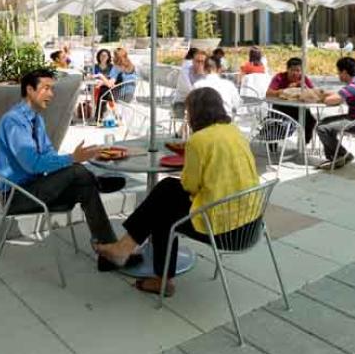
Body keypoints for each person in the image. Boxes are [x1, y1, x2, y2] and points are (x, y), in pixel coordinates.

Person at [95, 87, 259, 296]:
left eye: (188, 111)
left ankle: (141, 261)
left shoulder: (199, 141)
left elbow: (189, 185)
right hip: (249, 223)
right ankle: (128, 251)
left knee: (164, 207)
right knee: (167, 192)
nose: (187, 116)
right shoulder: (233, 132)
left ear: (195, 113)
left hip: (225, 230)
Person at [0, 69, 133, 271]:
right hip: (17, 195)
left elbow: (48, 154)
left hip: (35, 187)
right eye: (46, 88)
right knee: (77, 171)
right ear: (30, 90)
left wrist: (72, 159)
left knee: (84, 185)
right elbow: (32, 164)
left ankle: (108, 253)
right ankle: (97, 182)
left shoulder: (36, 120)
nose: (51, 94)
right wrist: (72, 159)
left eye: (52, 88)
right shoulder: (13, 121)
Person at [316, 57, 355, 170]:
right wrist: (329, 94)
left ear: (345, 72)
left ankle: (340, 156)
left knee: (322, 127)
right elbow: (341, 95)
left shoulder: (352, 87)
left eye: (338, 72)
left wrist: (320, 95)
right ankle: (339, 156)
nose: (338, 75)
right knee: (325, 122)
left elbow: (329, 101)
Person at [266, 57, 316, 144]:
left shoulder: (303, 79)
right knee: (279, 124)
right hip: (280, 107)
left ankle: (303, 145)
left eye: (298, 70)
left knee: (311, 121)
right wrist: (285, 90)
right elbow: (268, 93)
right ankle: (272, 141)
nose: (295, 73)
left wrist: (306, 88)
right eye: (292, 70)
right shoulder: (279, 77)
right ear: (287, 69)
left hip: (299, 108)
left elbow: (315, 94)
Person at [96, 47, 138, 120]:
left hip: (120, 96)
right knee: (105, 88)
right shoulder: (132, 67)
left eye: (114, 55)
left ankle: (98, 117)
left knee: (103, 91)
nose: (112, 57)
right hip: (130, 95)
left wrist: (101, 76)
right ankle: (114, 114)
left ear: (117, 57)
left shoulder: (116, 67)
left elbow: (110, 84)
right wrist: (103, 82)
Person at [173, 49, 208, 119]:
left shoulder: (207, 74)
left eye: (203, 62)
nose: (200, 64)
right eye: (198, 61)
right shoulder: (185, 72)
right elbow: (190, 92)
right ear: (193, 61)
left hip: (200, 103)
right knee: (190, 118)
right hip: (181, 103)